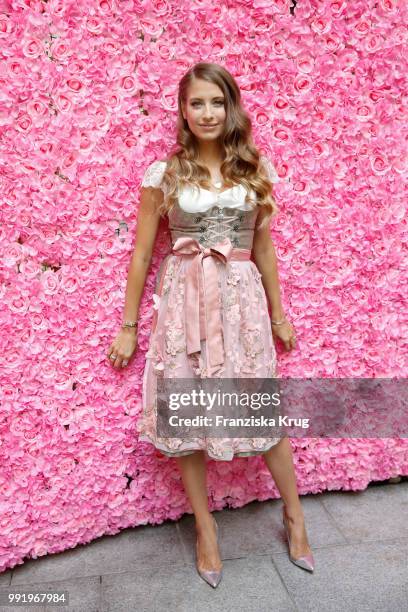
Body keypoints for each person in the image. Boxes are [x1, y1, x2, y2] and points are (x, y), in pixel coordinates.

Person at [107, 62, 314, 588]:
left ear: (231, 108)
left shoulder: (254, 169)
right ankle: (206, 530)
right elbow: (140, 253)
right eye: (196, 103)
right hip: (184, 301)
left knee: (260, 410)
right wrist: (128, 325)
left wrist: (278, 313)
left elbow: (264, 249)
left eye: (216, 102)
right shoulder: (165, 174)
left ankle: (295, 517)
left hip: (241, 302)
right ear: (182, 110)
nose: (207, 113)